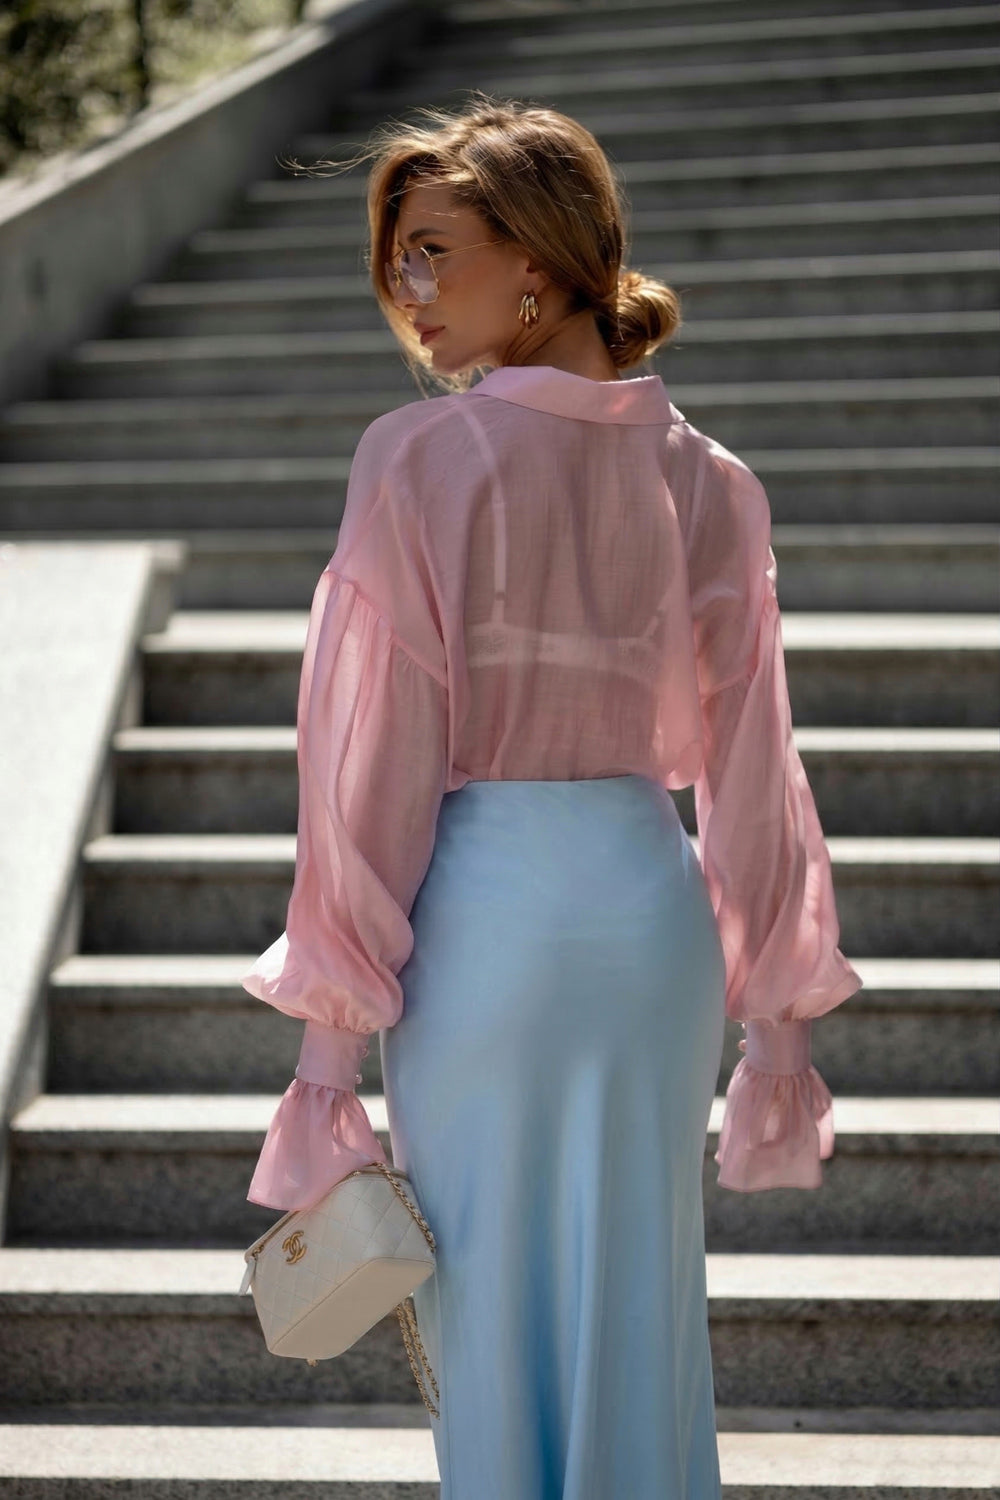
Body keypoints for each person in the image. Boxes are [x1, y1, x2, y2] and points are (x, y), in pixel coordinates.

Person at [242, 95, 864, 1499]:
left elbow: (367, 771)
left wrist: (327, 1060)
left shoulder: (415, 463)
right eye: (394, 261)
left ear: (534, 262)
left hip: (489, 923)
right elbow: (758, 763)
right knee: (640, 1307)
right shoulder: (715, 482)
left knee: (494, 1313)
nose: (407, 296)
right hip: (650, 920)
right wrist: (773, 1019)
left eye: (430, 253)